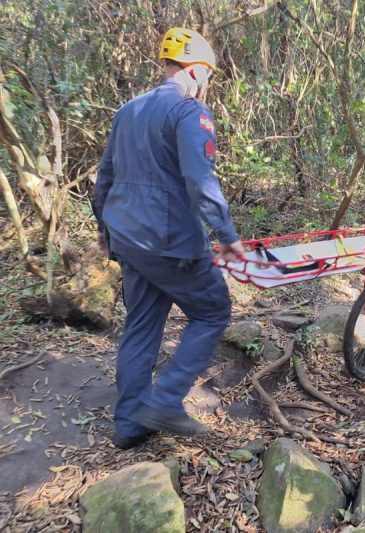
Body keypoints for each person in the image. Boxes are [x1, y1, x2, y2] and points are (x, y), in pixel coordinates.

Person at [93, 28, 245, 449]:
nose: (207, 84)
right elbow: (200, 180)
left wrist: (105, 231)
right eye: (208, 75)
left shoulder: (128, 110)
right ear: (195, 71)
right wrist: (227, 234)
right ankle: (164, 402)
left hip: (127, 237)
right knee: (213, 311)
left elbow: (105, 178)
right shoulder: (188, 111)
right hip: (169, 241)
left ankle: (129, 425)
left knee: (141, 325)